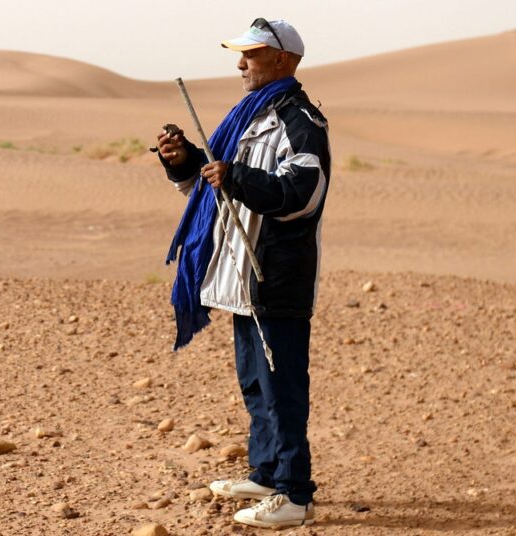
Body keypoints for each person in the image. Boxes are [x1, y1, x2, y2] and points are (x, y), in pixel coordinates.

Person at [155, 18, 330, 530]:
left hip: (277, 276)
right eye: (241, 54)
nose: (239, 65)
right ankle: (267, 473)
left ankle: (294, 493)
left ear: (282, 60)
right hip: (242, 277)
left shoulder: (301, 120)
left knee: (283, 389)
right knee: (256, 385)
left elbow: (302, 195)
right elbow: (214, 192)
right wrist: (184, 161)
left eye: (250, 55)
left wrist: (237, 176)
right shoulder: (251, 118)